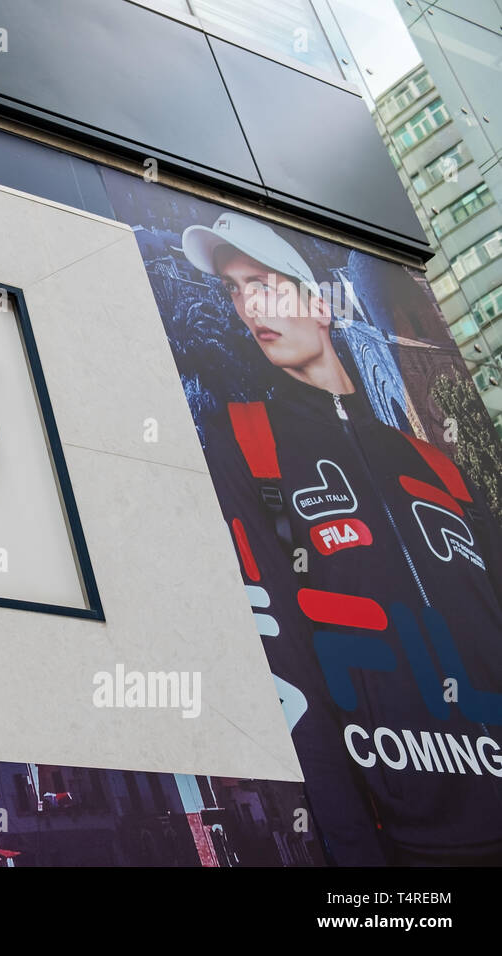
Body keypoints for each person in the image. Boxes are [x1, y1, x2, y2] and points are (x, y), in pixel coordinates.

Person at [182, 211, 502, 865]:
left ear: (320, 305)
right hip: (409, 841)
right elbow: (282, 665)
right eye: (235, 290)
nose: (248, 304)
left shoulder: (433, 463)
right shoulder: (245, 443)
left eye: (265, 282)